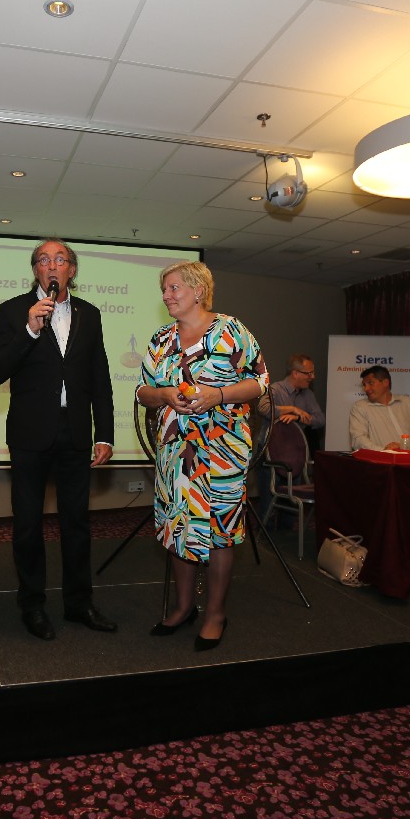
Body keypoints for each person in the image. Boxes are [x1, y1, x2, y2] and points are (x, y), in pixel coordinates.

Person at [136, 261, 269, 651]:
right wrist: (164, 395)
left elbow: (260, 382)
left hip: (223, 450)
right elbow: (142, 391)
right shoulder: (161, 338)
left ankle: (215, 614)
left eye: (173, 288)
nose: (166, 296)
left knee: (220, 532)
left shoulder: (231, 330)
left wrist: (219, 395)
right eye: (164, 290)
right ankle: (183, 608)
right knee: (178, 526)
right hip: (176, 451)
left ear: (198, 290)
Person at [0, 238, 116, 641]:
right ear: (36, 271)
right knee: (28, 525)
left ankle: (79, 603)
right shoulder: (14, 311)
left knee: (76, 523)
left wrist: (105, 433)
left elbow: (100, 377)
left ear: (71, 271)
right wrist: (30, 329)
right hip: (29, 434)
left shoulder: (90, 314)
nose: (52, 265)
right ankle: (32, 605)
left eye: (60, 259)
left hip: (74, 431)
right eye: (44, 260)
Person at [256, 353, 325, 525]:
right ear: (295, 373)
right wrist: (291, 409)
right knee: (268, 503)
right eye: (308, 373)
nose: (312, 377)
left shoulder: (308, 395)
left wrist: (299, 417)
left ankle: (288, 536)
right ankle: (266, 535)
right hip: (270, 454)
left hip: (294, 454)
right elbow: (263, 408)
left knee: (291, 505)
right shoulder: (276, 389)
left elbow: (320, 419)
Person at [348, 365, 410, 451]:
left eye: (370, 383)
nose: (366, 388)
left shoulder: (408, 403)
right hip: (380, 459)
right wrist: (384, 450)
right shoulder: (360, 407)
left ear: (385, 382)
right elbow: (358, 440)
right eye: (364, 385)